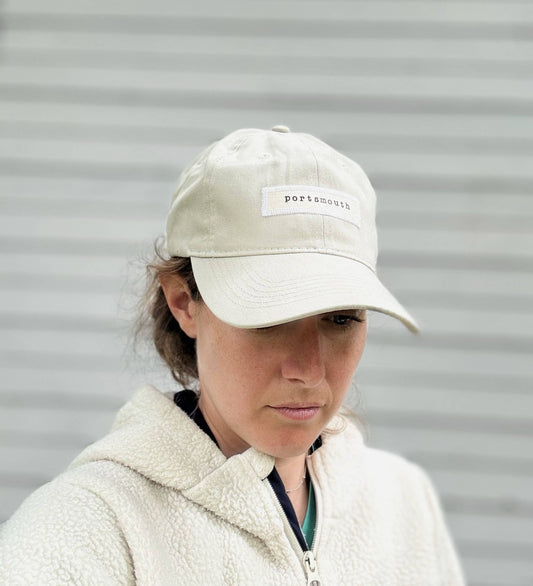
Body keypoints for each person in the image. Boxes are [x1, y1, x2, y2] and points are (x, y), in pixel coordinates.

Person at [0, 126, 465, 585]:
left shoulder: (404, 503)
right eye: (269, 318)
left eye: (341, 319)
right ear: (184, 301)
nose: (308, 371)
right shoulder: (87, 532)